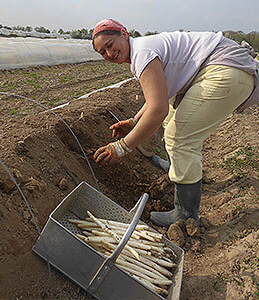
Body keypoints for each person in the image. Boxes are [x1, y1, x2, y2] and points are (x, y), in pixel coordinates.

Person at [92, 19, 259, 228]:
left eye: (110, 44)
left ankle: (185, 214)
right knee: (172, 115)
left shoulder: (142, 53)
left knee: (180, 137)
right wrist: (133, 121)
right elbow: (160, 98)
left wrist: (122, 147)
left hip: (225, 69)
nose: (108, 53)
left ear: (124, 34)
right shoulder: (141, 51)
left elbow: (157, 110)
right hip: (222, 67)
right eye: (102, 52)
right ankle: (176, 166)